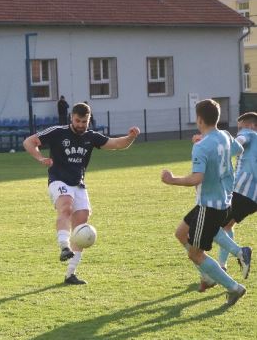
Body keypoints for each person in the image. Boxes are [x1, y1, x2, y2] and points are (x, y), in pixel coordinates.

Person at [22, 102, 140, 285]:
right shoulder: (58, 132)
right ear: (71, 118)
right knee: (66, 207)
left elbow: (117, 144)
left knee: (81, 225)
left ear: (89, 120)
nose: (80, 125)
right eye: (77, 121)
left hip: (78, 184)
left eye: (84, 121)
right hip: (58, 180)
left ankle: (70, 273)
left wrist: (131, 137)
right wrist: (40, 158)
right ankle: (64, 246)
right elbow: (29, 142)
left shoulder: (91, 137)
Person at [161, 99, 248, 307]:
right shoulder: (225, 136)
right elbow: (238, 150)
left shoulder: (201, 147)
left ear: (199, 119)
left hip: (209, 206)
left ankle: (233, 287)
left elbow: (196, 178)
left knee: (195, 253)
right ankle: (212, 272)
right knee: (181, 233)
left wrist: (172, 180)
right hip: (222, 201)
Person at [208, 112, 257, 288]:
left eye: (240, 127)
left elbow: (237, 144)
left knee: (212, 226)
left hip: (242, 190)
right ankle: (222, 266)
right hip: (253, 198)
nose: (239, 131)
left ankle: (239, 254)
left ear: (251, 126)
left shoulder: (249, 134)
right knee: (227, 226)